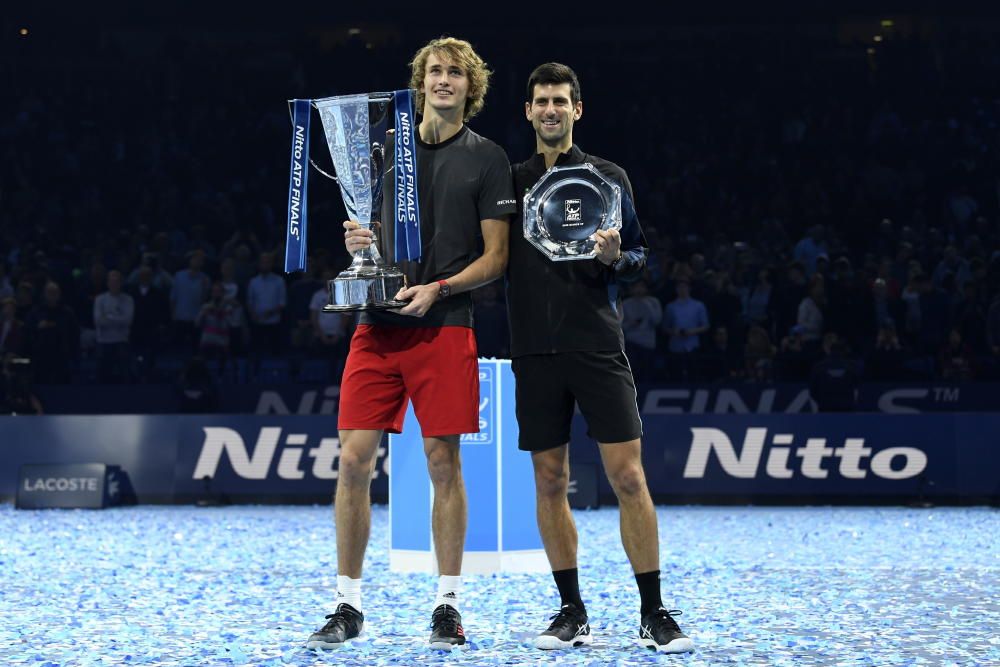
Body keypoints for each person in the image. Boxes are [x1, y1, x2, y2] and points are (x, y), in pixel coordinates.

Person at [312, 36, 515, 651]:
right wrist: (358, 241)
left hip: (445, 324)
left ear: (470, 87)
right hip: (377, 326)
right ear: (419, 82)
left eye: (456, 73)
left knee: (442, 463)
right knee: (351, 461)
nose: (444, 80)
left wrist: (439, 288)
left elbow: (498, 259)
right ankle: (347, 603)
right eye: (434, 72)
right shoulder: (380, 149)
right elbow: (365, 230)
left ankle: (447, 604)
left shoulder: (488, 158)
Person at [505, 62, 693, 654]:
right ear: (529, 111)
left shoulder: (608, 178)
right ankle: (570, 610)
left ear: (577, 109)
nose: (552, 109)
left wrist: (617, 257)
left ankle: (654, 611)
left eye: (562, 100)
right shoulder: (509, 182)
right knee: (549, 478)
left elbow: (642, 258)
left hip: (597, 343)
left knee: (628, 477)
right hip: (534, 350)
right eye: (542, 101)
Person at [93, 270, 135, 383]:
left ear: (121, 283)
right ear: (107, 283)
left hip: (122, 340)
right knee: (101, 376)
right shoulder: (99, 299)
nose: (114, 284)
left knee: (125, 375)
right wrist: (118, 319)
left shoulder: (128, 299)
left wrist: (109, 317)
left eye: (117, 282)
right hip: (103, 341)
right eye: (112, 282)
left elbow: (128, 321)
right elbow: (98, 321)